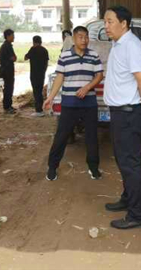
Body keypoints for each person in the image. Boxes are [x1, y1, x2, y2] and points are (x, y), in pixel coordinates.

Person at [103, 5, 141, 230]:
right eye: (105, 22)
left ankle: (137, 215)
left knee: (131, 164)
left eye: (110, 21)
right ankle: (127, 198)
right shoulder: (118, 44)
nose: (106, 26)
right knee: (123, 160)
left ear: (124, 24)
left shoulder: (131, 45)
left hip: (129, 113)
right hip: (120, 113)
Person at [44, 26, 104, 181]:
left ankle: (93, 168)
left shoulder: (93, 55)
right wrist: (50, 97)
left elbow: (99, 75)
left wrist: (87, 87)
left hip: (89, 104)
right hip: (69, 104)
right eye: (80, 37)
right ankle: (52, 167)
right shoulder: (64, 56)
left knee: (92, 137)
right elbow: (59, 78)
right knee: (61, 136)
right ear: (74, 39)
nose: (84, 40)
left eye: (86, 37)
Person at [25, 35, 49, 117]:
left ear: (34, 42)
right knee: (39, 90)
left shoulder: (33, 49)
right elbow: (46, 63)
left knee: (36, 91)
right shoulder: (44, 50)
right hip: (41, 74)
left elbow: (25, 57)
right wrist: (44, 71)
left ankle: (39, 110)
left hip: (34, 74)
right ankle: (40, 108)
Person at [0, 29, 17, 114]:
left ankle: (9, 105)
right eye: (12, 36)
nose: (14, 37)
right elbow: (13, 58)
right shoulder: (6, 46)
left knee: (9, 88)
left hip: (8, 70)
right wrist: (13, 58)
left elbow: (13, 58)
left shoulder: (7, 45)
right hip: (7, 71)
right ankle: (7, 107)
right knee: (8, 88)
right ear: (8, 36)